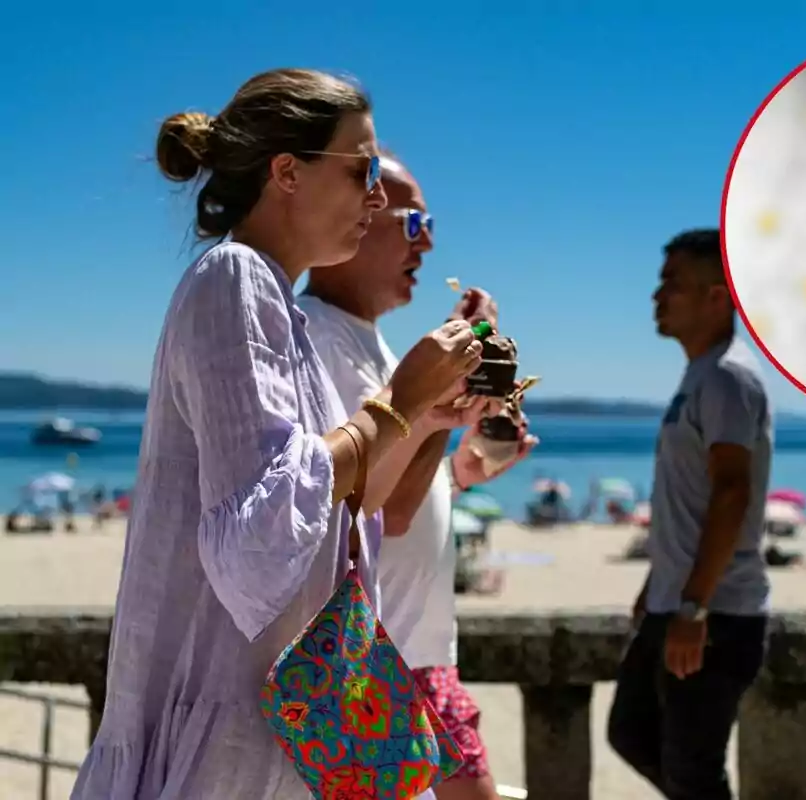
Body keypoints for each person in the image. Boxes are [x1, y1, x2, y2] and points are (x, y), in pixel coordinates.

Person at [72, 69, 485, 800]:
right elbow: (260, 534)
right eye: (362, 169)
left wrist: (423, 413)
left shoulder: (274, 304)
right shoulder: (235, 278)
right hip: (228, 746)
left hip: (265, 732)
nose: (378, 197)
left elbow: (338, 508)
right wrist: (399, 399)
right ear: (287, 172)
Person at [300, 154, 535, 800]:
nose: (428, 239)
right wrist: (441, 405)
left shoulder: (369, 345)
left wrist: (460, 467)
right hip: (383, 662)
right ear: (358, 218)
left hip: (409, 652)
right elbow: (381, 511)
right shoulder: (316, 339)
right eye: (413, 222)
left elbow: (398, 489)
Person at [607, 228, 774, 799]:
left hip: (716, 612)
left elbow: (732, 492)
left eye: (672, 284)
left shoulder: (729, 377)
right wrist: (658, 583)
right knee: (630, 733)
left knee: (693, 769)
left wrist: (696, 607)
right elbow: (689, 499)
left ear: (718, 294)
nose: (658, 296)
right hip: (676, 601)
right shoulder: (700, 375)